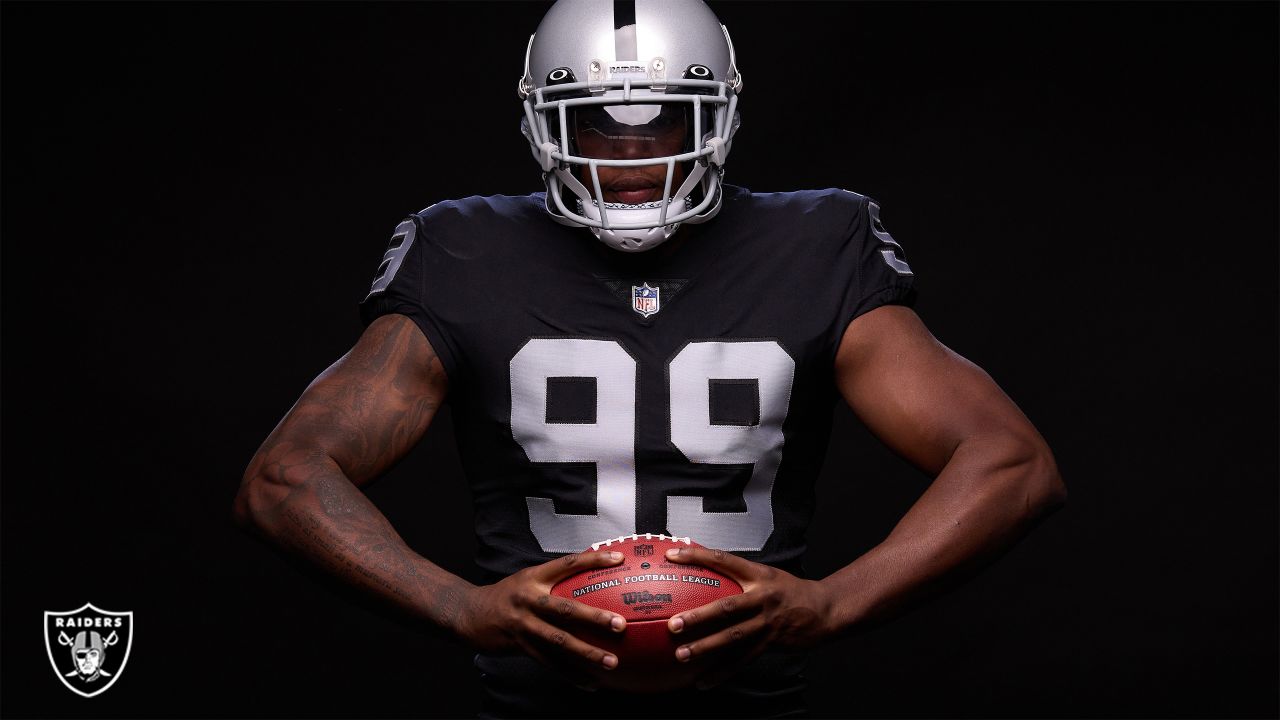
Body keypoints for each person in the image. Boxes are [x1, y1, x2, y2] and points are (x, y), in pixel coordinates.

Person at [233, 0, 1066, 716]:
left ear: (720, 117)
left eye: (665, 116)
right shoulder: (462, 250)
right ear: (539, 123)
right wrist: (462, 608)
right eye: (596, 121)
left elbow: (1012, 465)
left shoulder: (818, 242)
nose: (633, 157)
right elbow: (284, 480)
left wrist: (828, 606)